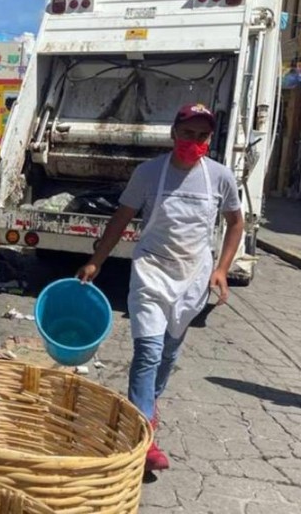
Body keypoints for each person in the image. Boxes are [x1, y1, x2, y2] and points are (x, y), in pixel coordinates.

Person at [76, 103, 244, 472]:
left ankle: (148, 405)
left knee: (168, 354)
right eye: (187, 133)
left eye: (202, 136)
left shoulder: (220, 177)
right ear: (173, 133)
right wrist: (96, 260)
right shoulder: (149, 173)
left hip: (193, 276)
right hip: (151, 271)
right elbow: (121, 220)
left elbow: (235, 223)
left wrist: (222, 269)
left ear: (210, 140)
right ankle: (145, 434)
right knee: (149, 352)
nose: (194, 141)